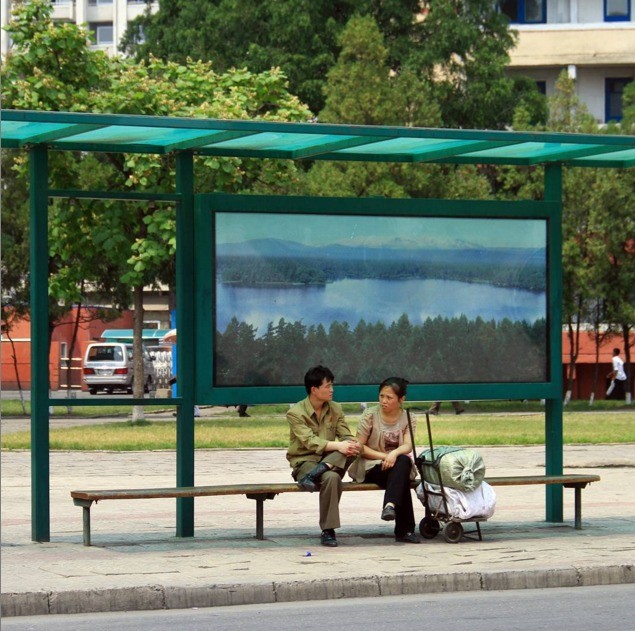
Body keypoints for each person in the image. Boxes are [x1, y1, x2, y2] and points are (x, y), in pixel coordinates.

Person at [286, 365, 361, 547]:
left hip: (330, 460)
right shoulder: (296, 413)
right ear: (314, 389)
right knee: (332, 476)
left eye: (332, 385)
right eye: (328, 386)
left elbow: (346, 435)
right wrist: (340, 447)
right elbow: (310, 441)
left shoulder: (335, 408)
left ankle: (320, 472)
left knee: (350, 452)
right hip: (305, 462)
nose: (332, 390)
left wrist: (351, 444)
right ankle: (328, 530)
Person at [349, 377, 420, 544]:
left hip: (396, 466)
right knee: (400, 472)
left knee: (401, 463)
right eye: (381, 396)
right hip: (372, 466)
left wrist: (394, 454)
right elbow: (359, 446)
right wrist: (385, 457)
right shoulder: (370, 415)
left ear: (401, 399)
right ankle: (406, 530)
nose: (383, 401)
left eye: (389, 397)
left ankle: (390, 506)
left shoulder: (408, 417)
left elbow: (408, 446)